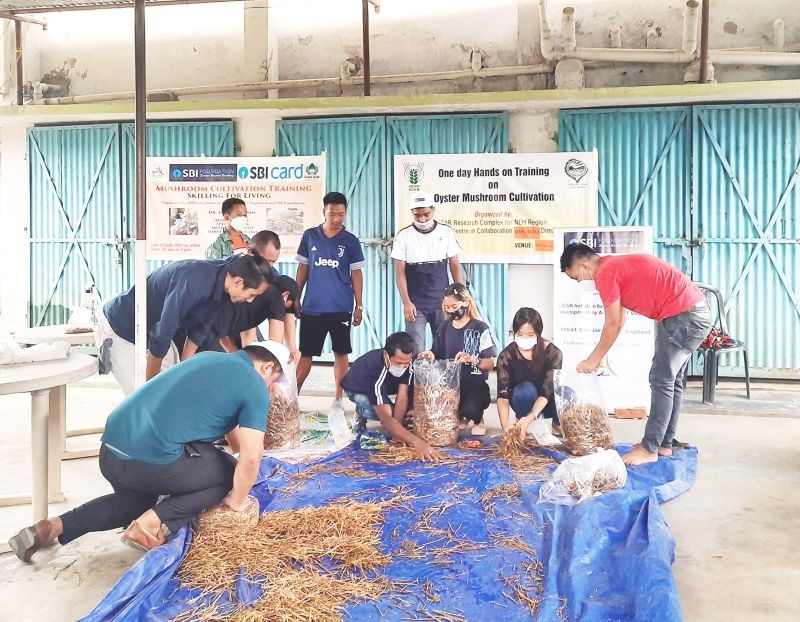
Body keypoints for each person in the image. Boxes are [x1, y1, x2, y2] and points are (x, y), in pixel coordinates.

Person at [8, 342, 290, 562]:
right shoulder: (254, 385)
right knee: (229, 472)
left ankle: (49, 528)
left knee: (134, 502)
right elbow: (251, 457)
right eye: (274, 380)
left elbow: (233, 435)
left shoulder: (208, 358)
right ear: (266, 367)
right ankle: (146, 526)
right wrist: (237, 501)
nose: (272, 388)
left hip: (111, 450)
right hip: (149, 461)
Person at [559, 243, 712, 466]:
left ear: (584, 266)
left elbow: (612, 324)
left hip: (684, 317)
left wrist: (594, 358)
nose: (580, 283)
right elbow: (619, 320)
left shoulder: (605, 273)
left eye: (576, 278)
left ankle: (650, 448)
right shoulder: (613, 267)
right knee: (670, 381)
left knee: (662, 381)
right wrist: (600, 355)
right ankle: (663, 444)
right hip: (684, 313)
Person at [96, 254, 272, 395]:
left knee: (172, 389)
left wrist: (184, 368)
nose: (250, 301)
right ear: (239, 282)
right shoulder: (195, 281)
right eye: (252, 294)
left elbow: (199, 330)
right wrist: (151, 391)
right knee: (145, 396)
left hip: (151, 332)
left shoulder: (223, 288)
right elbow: (162, 334)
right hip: (122, 327)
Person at [295, 191, 365, 408]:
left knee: (341, 353)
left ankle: (338, 398)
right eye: (332, 214)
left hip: (340, 307)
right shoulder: (310, 236)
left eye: (341, 214)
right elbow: (303, 268)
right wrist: (296, 297)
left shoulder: (351, 241)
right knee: (306, 354)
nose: (336, 219)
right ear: (323, 211)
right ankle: (291, 398)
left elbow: (356, 274)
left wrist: (359, 305)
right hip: (312, 308)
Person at [341, 332, 441, 461]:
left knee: (399, 419)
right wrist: (417, 443)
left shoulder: (408, 363)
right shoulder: (374, 371)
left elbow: (403, 396)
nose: (402, 367)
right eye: (399, 363)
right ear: (386, 355)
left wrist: (397, 434)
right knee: (376, 411)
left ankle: (394, 422)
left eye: (406, 363)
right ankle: (361, 411)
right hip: (358, 389)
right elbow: (387, 420)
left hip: (386, 386)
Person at [419, 283, 497, 436]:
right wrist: (430, 355)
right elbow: (437, 354)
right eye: (447, 307)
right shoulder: (443, 328)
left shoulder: (480, 328)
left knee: (472, 407)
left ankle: (477, 418)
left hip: (474, 382)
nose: (451, 310)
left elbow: (490, 363)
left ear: (466, 302)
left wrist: (472, 360)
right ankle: (462, 416)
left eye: (454, 306)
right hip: (451, 385)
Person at [391, 192, 463, 354]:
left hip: (443, 303)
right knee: (415, 350)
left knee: (445, 348)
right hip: (416, 305)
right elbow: (400, 273)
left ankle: (444, 380)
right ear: (412, 213)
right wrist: (407, 303)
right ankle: (418, 380)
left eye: (426, 214)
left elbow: (455, 266)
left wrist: (461, 296)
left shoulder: (446, 232)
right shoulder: (404, 236)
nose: (422, 219)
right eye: (417, 216)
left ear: (433, 210)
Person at [496, 307, 563, 440]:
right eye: (520, 334)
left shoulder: (553, 353)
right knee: (525, 390)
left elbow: (547, 391)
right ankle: (522, 420)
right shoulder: (506, 356)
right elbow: (503, 396)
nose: (525, 338)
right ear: (514, 333)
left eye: (530, 335)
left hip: (546, 401)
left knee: (566, 394)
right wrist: (505, 425)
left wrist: (532, 415)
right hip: (523, 400)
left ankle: (557, 423)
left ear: (538, 333)